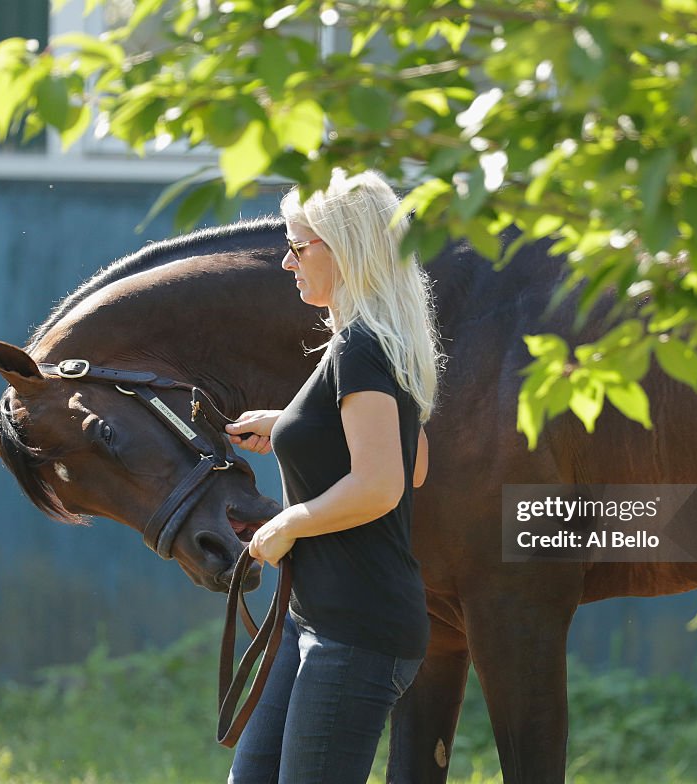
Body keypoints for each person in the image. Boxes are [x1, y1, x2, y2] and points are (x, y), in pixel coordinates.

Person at [224, 169, 442, 784]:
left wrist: (288, 523)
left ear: (344, 248)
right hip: (319, 618)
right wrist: (294, 427)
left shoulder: (360, 348)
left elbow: (382, 485)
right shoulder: (375, 343)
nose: (287, 262)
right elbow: (414, 462)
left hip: (356, 628)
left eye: (297, 246)